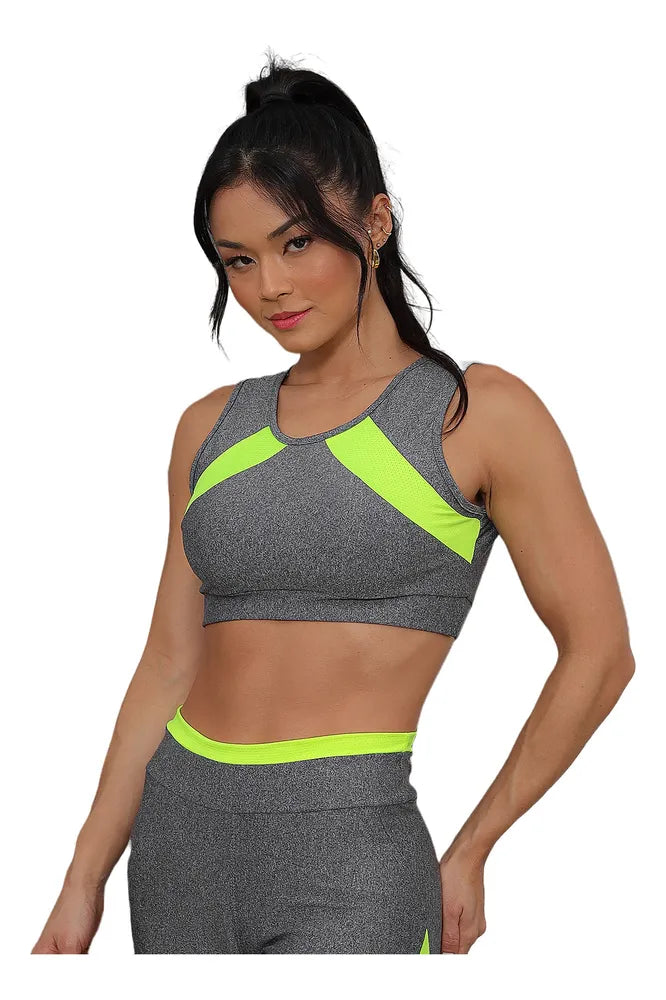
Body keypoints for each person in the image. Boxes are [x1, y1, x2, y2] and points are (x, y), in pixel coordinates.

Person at [32, 51, 635, 956]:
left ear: (376, 223)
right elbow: (167, 663)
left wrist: (474, 846)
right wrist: (83, 877)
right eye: (238, 261)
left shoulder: (477, 415)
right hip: (177, 846)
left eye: (296, 243)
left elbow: (601, 655)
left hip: (352, 860)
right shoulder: (209, 429)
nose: (267, 287)